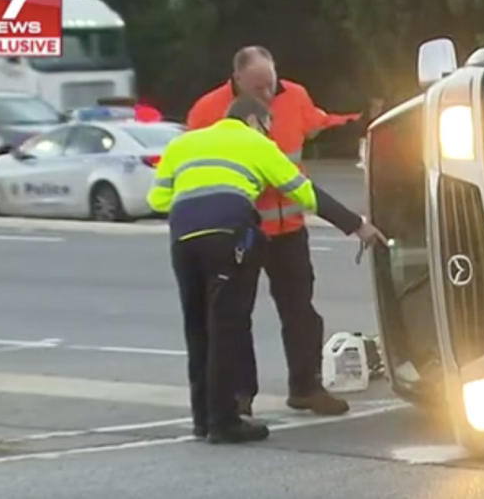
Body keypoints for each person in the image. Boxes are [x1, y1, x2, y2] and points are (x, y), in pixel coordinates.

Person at [148, 95, 385, 444]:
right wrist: (356, 225)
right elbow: (304, 193)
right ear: (256, 121)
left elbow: (157, 200)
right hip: (227, 235)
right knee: (226, 325)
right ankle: (225, 421)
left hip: (183, 239)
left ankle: (202, 418)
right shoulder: (255, 142)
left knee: (197, 327)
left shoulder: (183, 143)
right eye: (268, 127)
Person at [186, 47, 363, 416]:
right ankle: (239, 397)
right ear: (236, 81)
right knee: (236, 316)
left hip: (290, 228)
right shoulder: (207, 111)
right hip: (242, 230)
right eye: (256, 89)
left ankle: (306, 387)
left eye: (271, 85)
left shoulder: (295, 96)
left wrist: (359, 119)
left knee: (300, 312)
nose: (267, 95)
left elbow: (318, 123)